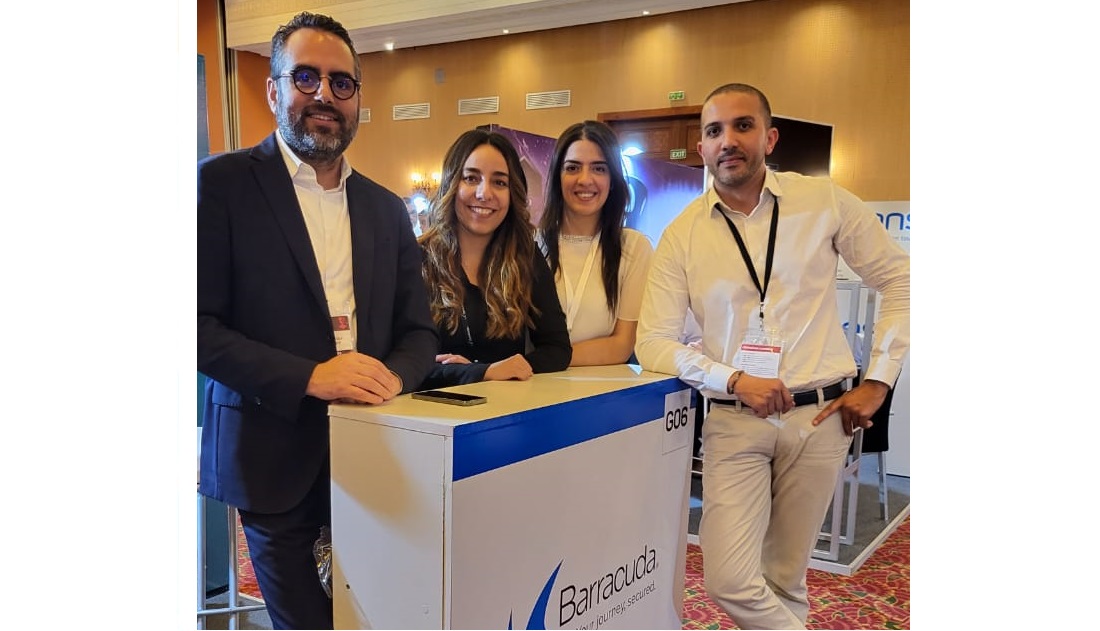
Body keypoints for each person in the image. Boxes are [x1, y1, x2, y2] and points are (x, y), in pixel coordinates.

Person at [635, 83, 909, 630]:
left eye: (742, 126)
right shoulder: (681, 235)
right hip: (736, 421)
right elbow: (654, 341)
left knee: (786, 577)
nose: (728, 140)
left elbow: (901, 279)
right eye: (714, 131)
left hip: (821, 417)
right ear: (701, 148)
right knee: (729, 580)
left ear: (769, 137)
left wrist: (878, 380)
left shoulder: (823, 201)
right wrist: (733, 378)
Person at [197, 12, 438, 630]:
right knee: (307, 621)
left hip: (379, 449)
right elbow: (195, 326)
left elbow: (418, 331)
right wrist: (311, 376)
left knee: (386, 612)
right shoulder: (221, 185)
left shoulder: (386, 209)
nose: (325, 95)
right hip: (270, 451)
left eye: (341, 82)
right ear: (274, 90)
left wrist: (393, 377)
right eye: (305, 78)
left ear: (358, 98)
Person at [418, 129, 571, 387]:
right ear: (451, 184)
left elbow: (558, 350)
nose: (484, 193)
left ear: (513, 194)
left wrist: (510, 368)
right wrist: (481, 372)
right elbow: (400, 362)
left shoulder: (526, 257)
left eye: (499, 182)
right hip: (428, 417)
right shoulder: (415, 259)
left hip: (503, 414)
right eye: (471, 178)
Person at [537, 121, 654, 366]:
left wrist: (539, 361)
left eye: (599, 169)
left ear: (612, 180)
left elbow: (622, 345)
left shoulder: (633, 248)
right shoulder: (530, 244)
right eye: (573, 168)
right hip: (531, 391)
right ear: (558, 177)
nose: (585, 179)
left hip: (598, 394)